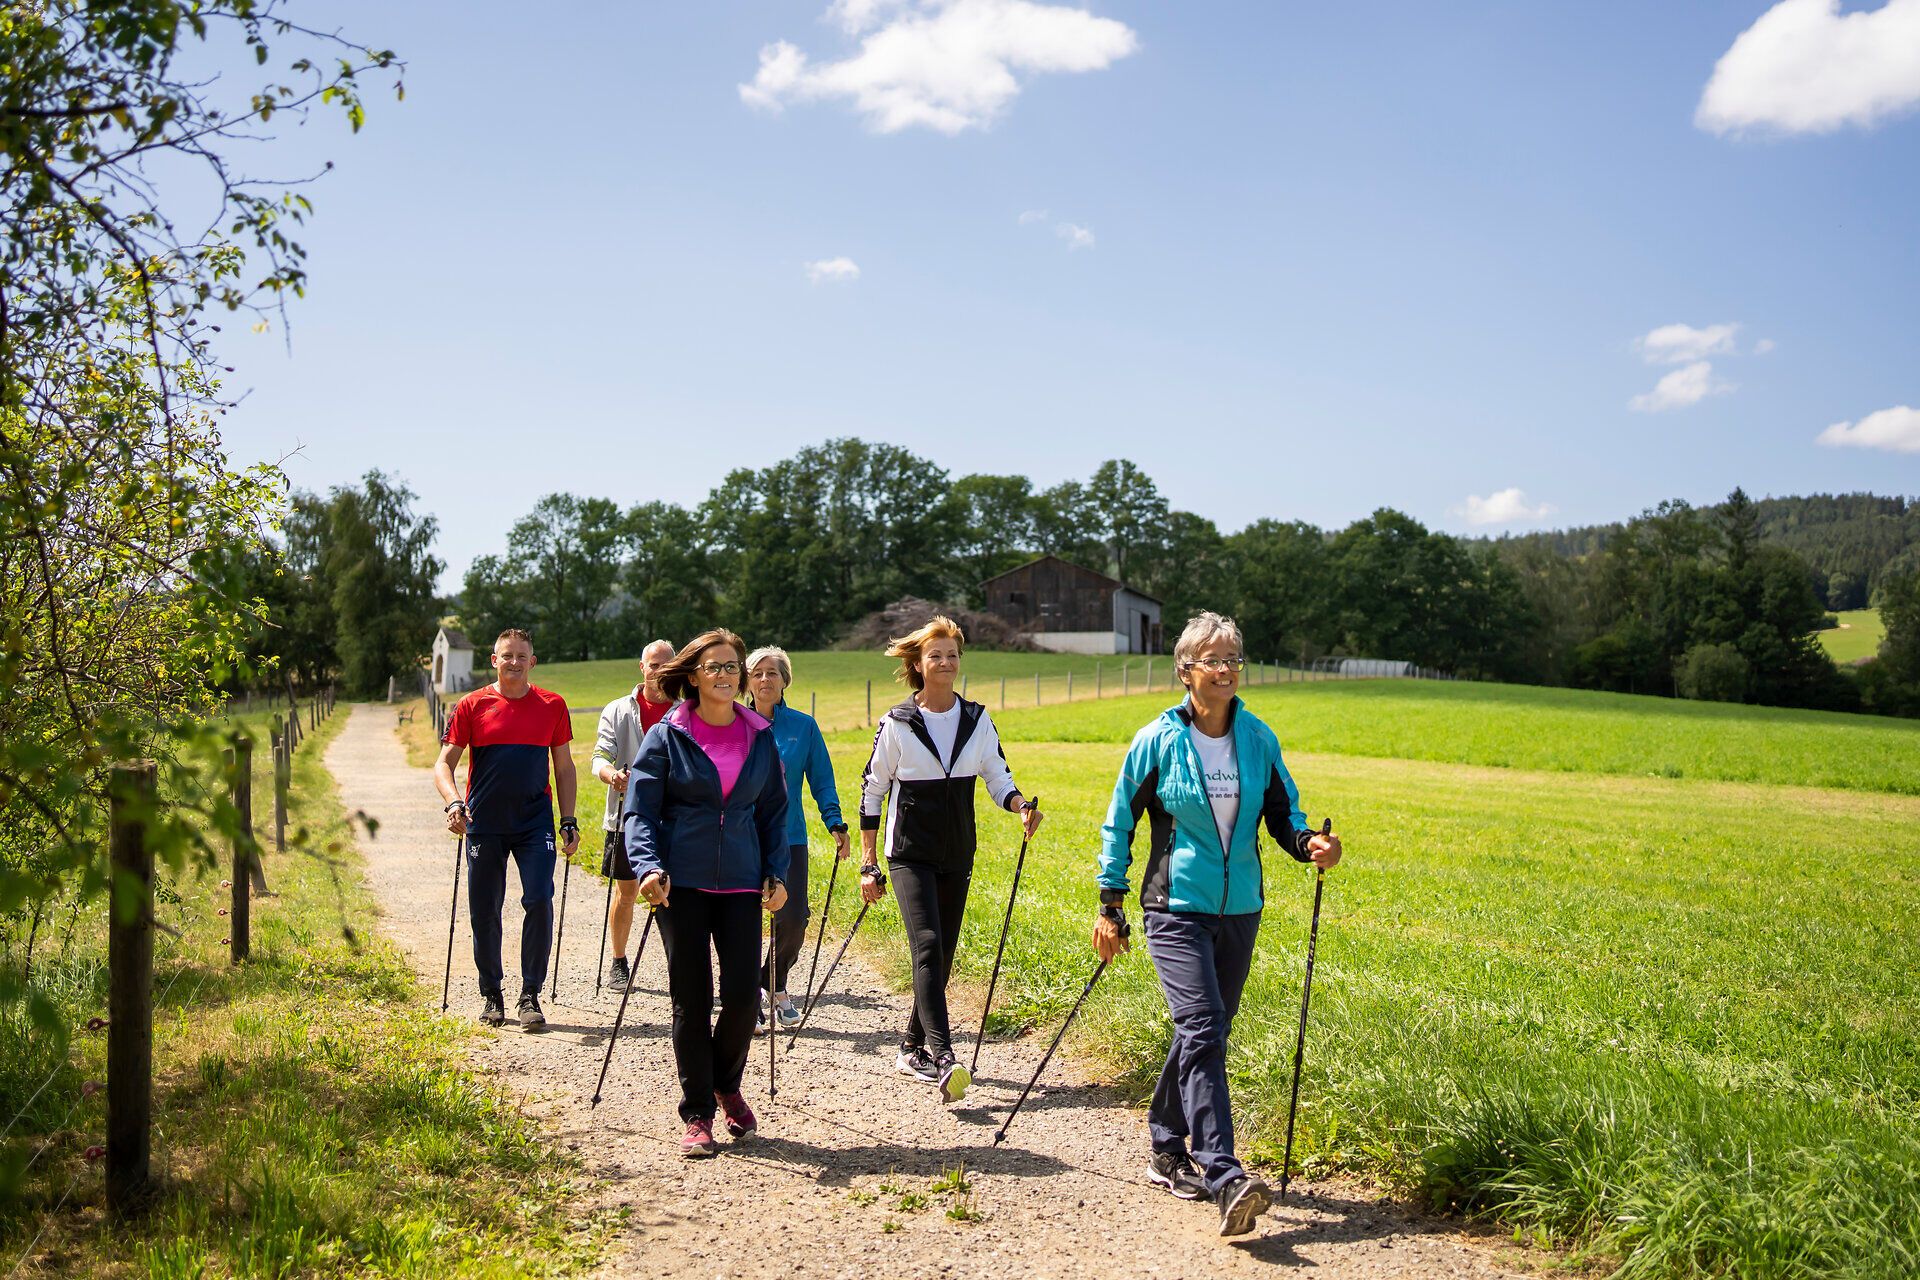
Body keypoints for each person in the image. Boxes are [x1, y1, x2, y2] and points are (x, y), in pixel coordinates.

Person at [1094, 611, 1343, 1237]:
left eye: (1234, 657)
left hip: (1240, 908)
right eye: (1215, 658)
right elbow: (1120, 820)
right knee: (1203, 1025)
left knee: (1204, 1029)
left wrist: (1311, 842)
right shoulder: (1156, 739)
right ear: (1186, 670)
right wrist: (1110, 904)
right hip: (1173, 906)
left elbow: (1284, 810)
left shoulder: (1257, 737)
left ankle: (1165, 1142)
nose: (1227, 668)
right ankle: (1224, 1172)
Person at [858, 615, 1040, 1105]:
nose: (945, 661)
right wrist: (869, 861)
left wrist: (1021, 806)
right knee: (929, 943)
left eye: (952, 654)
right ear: (918, 663)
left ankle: (911, 1045)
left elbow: (998, 775)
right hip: (908, 852)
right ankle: (944, 1057)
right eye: (935, 654)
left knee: (942, 954)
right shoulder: (896, 723)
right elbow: (873, 791)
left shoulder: (978, 720)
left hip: (957, 850)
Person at [623, 628, 790, 1157]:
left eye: (732, 667)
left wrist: (777, 873)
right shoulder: (666, 735)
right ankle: (697, 1112)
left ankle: (725, 1082)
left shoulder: (759, 734)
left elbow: (773, 814)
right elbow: (640, 812)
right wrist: (647, 867)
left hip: (742, 879)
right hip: (681, 883)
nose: (726, 675)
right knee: (690, 999)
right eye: (714, 667)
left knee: (744, 996)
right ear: (693, 675)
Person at [434, 628, 581, 1031]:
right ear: (493, 660)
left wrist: (568, 820)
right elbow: (443, 764)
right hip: (485, 823)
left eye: (521, 655)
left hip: (535, 823)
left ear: (532, 662)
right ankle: (492, 994)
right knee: (485, 908)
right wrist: (452, 803)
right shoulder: (471, 705)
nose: (513, 661)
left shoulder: (552, 705)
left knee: (538, 898)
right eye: (506, 655)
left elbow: (564, 768)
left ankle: (530, 992)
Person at [742, 647, 850, 1031]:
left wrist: (835, 822)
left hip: (788, 838)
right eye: (757, 673)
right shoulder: (732, 723)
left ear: (785, 680)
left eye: (773, 673)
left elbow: (821, 779)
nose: (765, 680)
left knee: (793, 919)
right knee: (742, 920)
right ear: (747, 681)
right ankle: (746, 998)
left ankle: (772, 981)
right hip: (739, 837)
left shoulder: (804, 727)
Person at [590, 637, 676, 992]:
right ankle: (619, 961)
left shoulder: (686, 711)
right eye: (653, 664)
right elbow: (599, 758)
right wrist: (613, 776)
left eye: (666, 664)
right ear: (642, 668)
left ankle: (681, 968)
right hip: (626, 817)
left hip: (674, 820)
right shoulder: (618, 710)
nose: (659, 671)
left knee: (676, 896)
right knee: (626, 893)